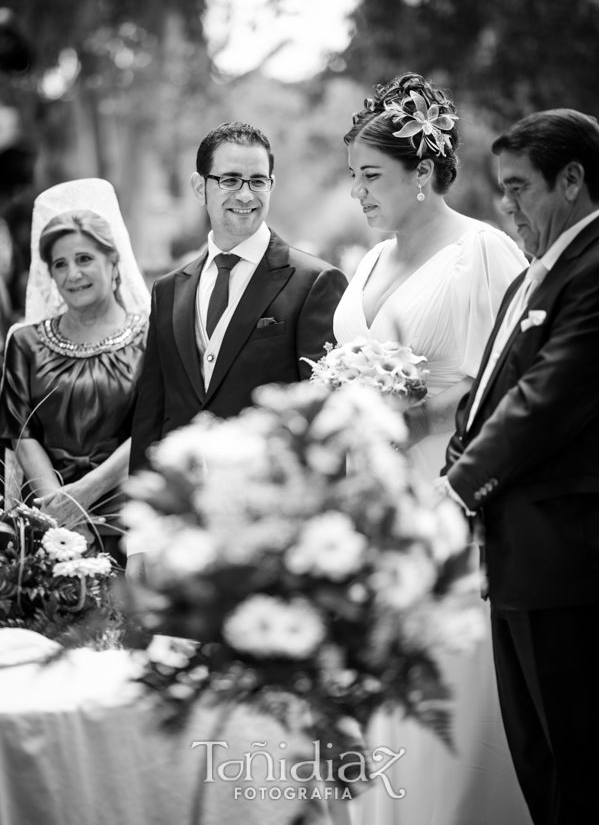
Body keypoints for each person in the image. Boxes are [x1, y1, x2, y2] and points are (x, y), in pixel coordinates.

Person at [334, 74, 531, 824]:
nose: (360, 192)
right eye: (353, 177)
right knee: (382, 675)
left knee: (447, 669)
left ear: (422, 174)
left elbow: (525, 377)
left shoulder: (486, 251)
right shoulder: (366, 262)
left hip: (447, 484)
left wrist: (435, 403)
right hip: (369, 492)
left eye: (373, 176)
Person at [441, 109, 599, 825]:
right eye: (499, 190)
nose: (504, 206)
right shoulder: (531, 276)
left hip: (566, 558)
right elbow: (486, 398)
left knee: (577, 759)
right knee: (533, 756)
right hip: (511, 555)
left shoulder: (593, 270)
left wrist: (455, 490)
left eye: (517, 188)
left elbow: (544, 400)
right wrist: (457, 453)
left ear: (571, 180)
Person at [129, 121, 347, 471]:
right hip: (181, 500)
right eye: (229, 180)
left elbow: (323, 415)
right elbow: (151, 411)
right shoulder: (168, 290)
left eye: (258, 181)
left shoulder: (316, 282)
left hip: (266, 498)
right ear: (200, 187)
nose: (245, 195)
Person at [0, 178, 150, 560]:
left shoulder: (154, 336)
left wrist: (81, 497)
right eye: (60, 264)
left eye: (84, 259)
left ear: (113, 261)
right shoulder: (25, 342)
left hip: (132, 522)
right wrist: (58, 514)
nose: (72, 275)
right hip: (45, 527)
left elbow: (155, 426)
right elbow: (21, 432)